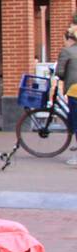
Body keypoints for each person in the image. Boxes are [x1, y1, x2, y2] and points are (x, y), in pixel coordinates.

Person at [54, 26, 77, 166]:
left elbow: (60, 72)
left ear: (69, 38)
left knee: (76, 123)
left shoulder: (66, 51)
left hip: (75, 91)